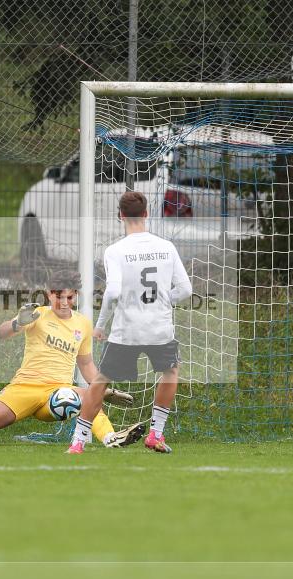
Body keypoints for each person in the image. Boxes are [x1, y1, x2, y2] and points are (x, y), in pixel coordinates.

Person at [0, 269, 145, 447]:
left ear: (76, 295)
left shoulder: (83, 324)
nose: (63, 303)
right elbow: (1, 333)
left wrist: (102, 390)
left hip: (58, 394)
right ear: (48, 294)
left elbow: (85, 363)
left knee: (85, 396)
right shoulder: (37, 314)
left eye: (68, 297)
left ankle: (111, 438)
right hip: (24, 388)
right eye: (58, 297)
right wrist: (17, 323)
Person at [68, 191, 192, 454]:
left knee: (100, 381)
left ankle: (78, 441)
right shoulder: (166, 247)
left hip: (127, 331)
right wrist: (164, 301)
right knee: (171, 372)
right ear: (146, 214)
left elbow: (112, 292)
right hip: (159, 329)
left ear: (120, 216)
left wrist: (100, 325)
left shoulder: (115, 251)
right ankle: (155, 434)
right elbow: (186, 290)